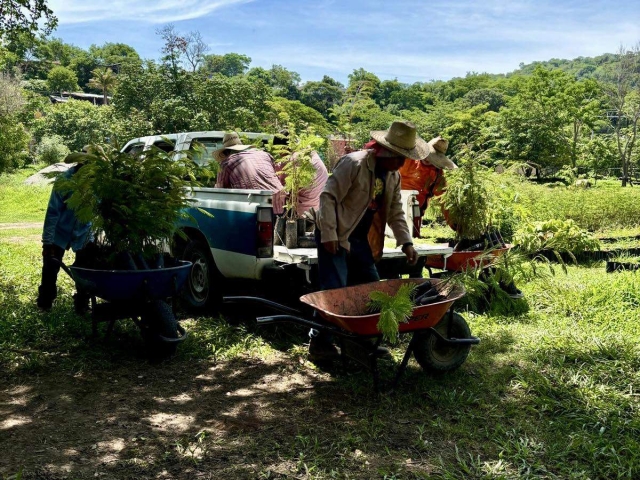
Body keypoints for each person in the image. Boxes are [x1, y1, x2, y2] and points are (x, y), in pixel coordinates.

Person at [311, 120, 425, 359]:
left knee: (371, 288)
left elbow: (395, 211)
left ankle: (361, 342)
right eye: (399, 157)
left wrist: (406, 242)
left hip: (360, 239)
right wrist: (330, 234)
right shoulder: (354, 163)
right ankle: (320, 343)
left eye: (406, 158)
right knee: (334, 290)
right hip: (335, 234)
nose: (403, 163)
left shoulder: (393, 176)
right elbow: (328, 197)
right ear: (384, 152)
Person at [37, 147, 94, 312]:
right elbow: (53, 212)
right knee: (50, 267)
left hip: (84, 232)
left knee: (84, 269)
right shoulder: (64, 180)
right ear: (79, 164)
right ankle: (44, 302)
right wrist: (47, 243)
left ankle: (82, 303)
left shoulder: (97, 182)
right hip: (60, 232)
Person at [213, 132, 286, 215]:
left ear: (226, 152)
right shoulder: (264, 154)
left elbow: (219, 191)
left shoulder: (226, 163)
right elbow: (275, 174)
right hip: (283, 199)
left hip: (257, 205)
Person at [398, 136, 457, 237]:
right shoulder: (409, 160)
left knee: (412, 241)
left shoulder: (437, 174)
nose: (429, 160)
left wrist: (456, 224)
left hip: (415, 212)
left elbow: (444, 200)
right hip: (392, 206)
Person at [272, 130, 329, 217]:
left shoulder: (293, 159)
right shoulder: (309, 152)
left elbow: (282, 186)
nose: (280, 155)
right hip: (321, 207)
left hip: (304, 212)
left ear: (282, 148)